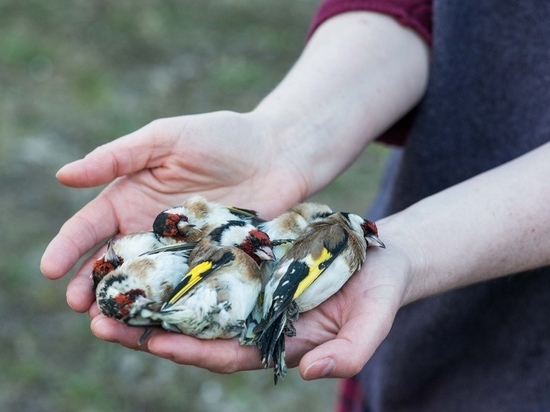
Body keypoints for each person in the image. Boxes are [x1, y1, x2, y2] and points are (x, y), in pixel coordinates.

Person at [41, 0, 550, 410]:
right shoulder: (230, 247)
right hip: (412, 356)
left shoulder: (309, 246)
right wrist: (281, 139)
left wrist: (414, 249)